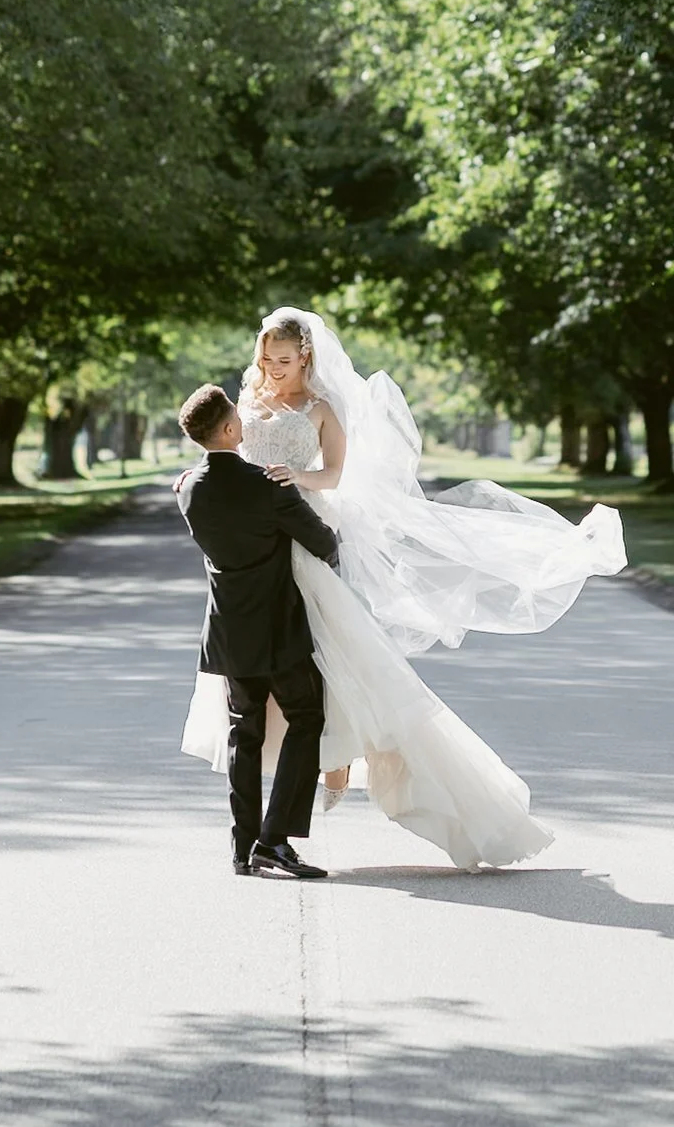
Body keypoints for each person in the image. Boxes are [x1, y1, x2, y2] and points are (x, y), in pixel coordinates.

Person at [180, 308, 627, 871]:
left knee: (331, 665)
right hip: (259, 547)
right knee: (266, 699)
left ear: (307, 357)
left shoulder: (321, 409)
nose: (271, 369)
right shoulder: (244, 404)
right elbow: (223, 459)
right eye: (265, 359)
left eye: (284, 360)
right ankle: (267, 833)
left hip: (301, 527)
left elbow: (335, 475)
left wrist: (295, 481)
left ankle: (315, 783)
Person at [173, 381, 340, 879]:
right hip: (279, 627)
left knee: (243, 733)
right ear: (228, 429)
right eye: (237, 420)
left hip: (228, 630)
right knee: (306, 718)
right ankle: (276, 840)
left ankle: (243, 846)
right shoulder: (269, 487)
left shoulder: (188, 490)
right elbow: (322, 542)